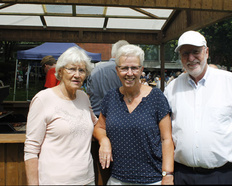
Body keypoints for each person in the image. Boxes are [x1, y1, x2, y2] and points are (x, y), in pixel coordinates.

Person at [163, 30, 232, 185]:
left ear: (206, 51)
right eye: (185, 53)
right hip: (181, 174)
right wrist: (168, 173)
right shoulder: (172, 88)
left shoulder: (231, 83)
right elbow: (165, 135)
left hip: (220, 176)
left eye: (196, 52)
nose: (191, 58)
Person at [93, 44, 174, 185]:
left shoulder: (156, 97)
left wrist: (167, 174)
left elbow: (166, 139)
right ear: (117, 70)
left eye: (134, 68)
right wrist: (104, 140)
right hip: (117, 179)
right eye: (124, 68)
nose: (129, 73)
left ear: (141, 70)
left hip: (151, 180)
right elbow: (99, 127)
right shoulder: (111, 97)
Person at [24, 46, 98, 185]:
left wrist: (105, 140)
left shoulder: (83, 97)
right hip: (55, 181)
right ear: (60, 71)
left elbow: (95, 123)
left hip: (87, 180)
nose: (77, 74)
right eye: (71, 69)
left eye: (81, 70)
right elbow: (31, 149)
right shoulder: (43, 99)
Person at [87, 40, 129, 117]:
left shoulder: (95, 70)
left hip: (95, 116)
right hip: (118, 118)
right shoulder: (127, 73)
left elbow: (89, 96)